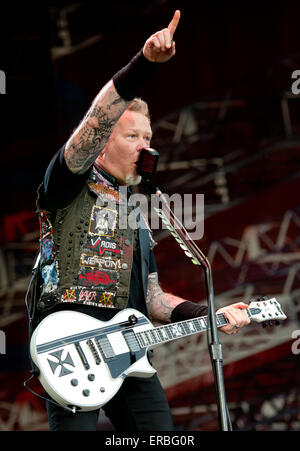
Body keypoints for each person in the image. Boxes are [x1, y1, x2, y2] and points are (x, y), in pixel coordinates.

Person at [29, 10, 250, 431]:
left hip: (131, 354)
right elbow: (96, 120)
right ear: (102, 144)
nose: (145, 147)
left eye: (149, 138)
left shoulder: (137, 214)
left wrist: (212, 315)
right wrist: (144, 64)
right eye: (133, 137)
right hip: (72, 352)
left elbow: (152, 300)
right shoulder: (67, 182)